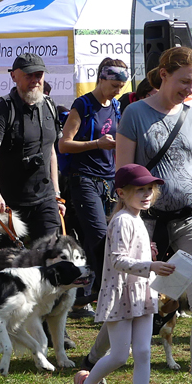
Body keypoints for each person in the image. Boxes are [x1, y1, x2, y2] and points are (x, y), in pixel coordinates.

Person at [112, 46, 192, 384]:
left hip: (189, 221)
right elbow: (123, 177)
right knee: (131, 303)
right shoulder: (135, 113)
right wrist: (131, 229)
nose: (189, 90)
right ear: (163, 74)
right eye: (184, 82)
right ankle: (96, 363)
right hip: (146, 225)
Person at [73, 164, 175, 384]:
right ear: (121, 192)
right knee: (119, 355)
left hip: (142, 293)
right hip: (121, 294)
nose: (147, 194)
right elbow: (118, 260)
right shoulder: (121, 220)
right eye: (139, 190)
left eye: (149, 189)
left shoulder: (138, 219)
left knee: (143, 352)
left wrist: (148, 256)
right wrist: (151, 265)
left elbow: (131, 256)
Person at [58, 58, 127, 307]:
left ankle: (83, 295)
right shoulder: (83, 105)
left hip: (109, 180)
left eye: (121, 86)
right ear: (101, 78)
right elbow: (64, 144)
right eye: (114, 85)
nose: (117, 90)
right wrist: (97, 144)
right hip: (83, 178)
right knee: (99, 236)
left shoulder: (116, 106)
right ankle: (106, 294)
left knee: (99, 238)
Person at [0, 53, 65, 242]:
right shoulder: (4, 108)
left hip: (45, 200)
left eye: (39, 75)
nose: (35, 80)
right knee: (8, 259)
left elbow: (50, 151)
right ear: (14, 76)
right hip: (9, 203)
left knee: (50, 254)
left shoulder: (49, 105)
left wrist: (57, 194)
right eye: (29, 75)